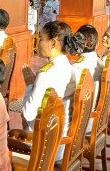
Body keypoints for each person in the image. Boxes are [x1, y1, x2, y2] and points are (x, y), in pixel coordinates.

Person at [22, 21, 84, 162]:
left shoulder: (46, 73)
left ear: (53, 43)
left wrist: (29, 86)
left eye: (41, 39)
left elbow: (28, 114)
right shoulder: (71, 69)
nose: (38, 44)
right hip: (63, 142)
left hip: (44, 149)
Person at [72, 25, 103, 134]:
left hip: (80, 128)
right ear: (97, 44)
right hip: (95, 122)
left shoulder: (78, 69)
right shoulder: (100, 63)